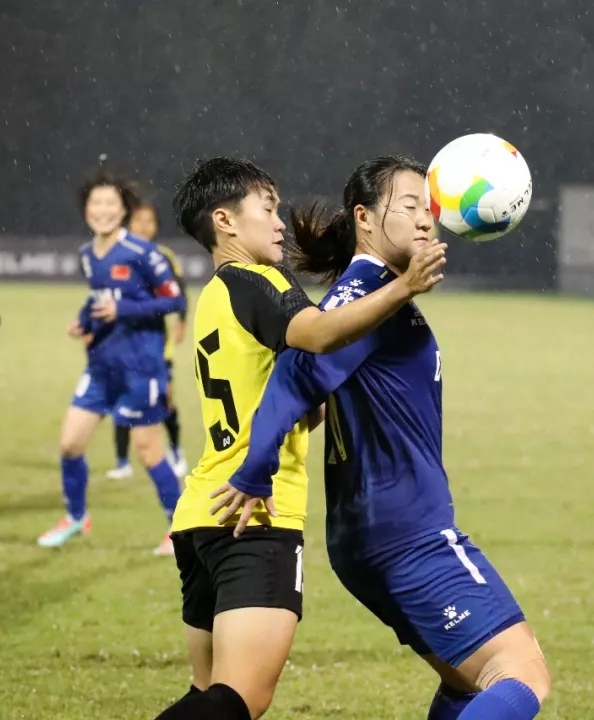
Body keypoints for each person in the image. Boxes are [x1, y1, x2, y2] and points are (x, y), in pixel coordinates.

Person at [227, 156, 551, 720]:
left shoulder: (379, 296)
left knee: (468, 684)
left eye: (430, 209)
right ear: (365, 218)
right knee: (521, 674)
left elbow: (315, 387)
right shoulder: (365, 294)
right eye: (409, 206)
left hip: (375, 532)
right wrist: (256, 469)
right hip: (407, 533)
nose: (426, 219)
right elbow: (295, 374)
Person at [155, 157, 447, 720]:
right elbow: (316, 334)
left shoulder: (214, 295)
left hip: (200, 513)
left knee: (206, 695)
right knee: (237, 700)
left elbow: (290, 401)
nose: (279, 222)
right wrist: (404, 287)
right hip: (255, 512)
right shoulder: (260, 281)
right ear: (224, 221)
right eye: (267, 209)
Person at [37, 171, 186, 555]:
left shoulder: (143, 253)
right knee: (70, 444)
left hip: (141, 369)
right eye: (95, 203)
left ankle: (181, 529)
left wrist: (125, 310)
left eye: (110, 203)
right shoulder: (88, 254)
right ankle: (76, 517)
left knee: (148, 451)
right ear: (86, 210)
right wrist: (83, 322)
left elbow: (174, 300)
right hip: (101, 367)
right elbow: (98, 297)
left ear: (123, 210)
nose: (102, 210)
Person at [107, 200, 189, 482]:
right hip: (120, 341)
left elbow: (180, 293)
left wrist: (181, 320)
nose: (143, 226)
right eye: (138, 220)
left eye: (149, 221)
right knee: (121, 396)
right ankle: (122, 462)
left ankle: (176, 451)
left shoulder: (162, 256)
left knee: (165, 398)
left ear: (156, 226)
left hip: (155, 344)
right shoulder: (116, 254)